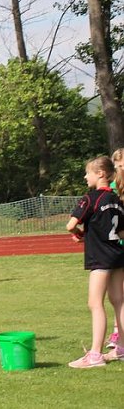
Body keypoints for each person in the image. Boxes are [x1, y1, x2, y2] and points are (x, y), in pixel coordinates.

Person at [66, 156, 124, 368]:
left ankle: (95, 355)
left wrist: (78, 233)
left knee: (95, 303)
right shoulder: (117, 200)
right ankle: (121, 348)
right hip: (118, 255)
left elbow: (70, 225)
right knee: (119, 301)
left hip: (100, 258)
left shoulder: (90, 198)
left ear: (100, 174)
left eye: (87, 173)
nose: (85, 176)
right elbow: (121, 232)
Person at [106, 149, 124, 348]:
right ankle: (117, 331)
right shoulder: (111, 188)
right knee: (118, 294)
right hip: (117, 245)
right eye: (117, 165)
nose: (120, 168)